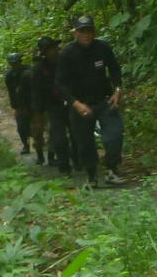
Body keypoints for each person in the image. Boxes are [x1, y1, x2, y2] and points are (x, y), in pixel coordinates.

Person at [56, 15, 125, 187]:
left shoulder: (102, 48)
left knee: (115, 134)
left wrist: (117, 90)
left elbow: (115, 69)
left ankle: (112, 169)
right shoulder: (67, 53)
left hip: (104, 100)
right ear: (76, 33)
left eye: (89, 31)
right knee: (84, 142)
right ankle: (92, 176)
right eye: (82, 31)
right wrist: (75, 103)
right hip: (79, 104)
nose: (86, 35)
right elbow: (60, 84)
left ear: (94, 32)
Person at [28, 37, 63, 168]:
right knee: (38, 131)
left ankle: (52, 156)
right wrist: (37, 110)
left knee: (54, 131)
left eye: (55, 48)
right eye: (50, 49)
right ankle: (40, 155)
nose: (54, 51)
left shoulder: (60, 64)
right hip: (40, 105)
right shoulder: (38, 69)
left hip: (55, 103)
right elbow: (35, 90)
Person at [3, 52, 33, 156]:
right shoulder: (9, 76)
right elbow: (11, 93)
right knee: (21, 126)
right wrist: (15, 107)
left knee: (37, 125)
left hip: (32, 101)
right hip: (20, 104)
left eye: (16, 63)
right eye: (12, 64)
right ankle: (26, 145)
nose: (14, 65)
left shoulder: (29, 71)